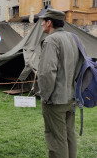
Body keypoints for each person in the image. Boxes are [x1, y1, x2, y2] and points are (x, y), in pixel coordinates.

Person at [37, 8, 83, 158]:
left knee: (57, 139)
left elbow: (46, 73)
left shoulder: (51, 40)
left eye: (43, 21)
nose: (42, 24)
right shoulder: (73, 37)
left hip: (55, 100)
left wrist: (45, 95)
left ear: (49, 22)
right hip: (71, 96)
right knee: (69, 135)